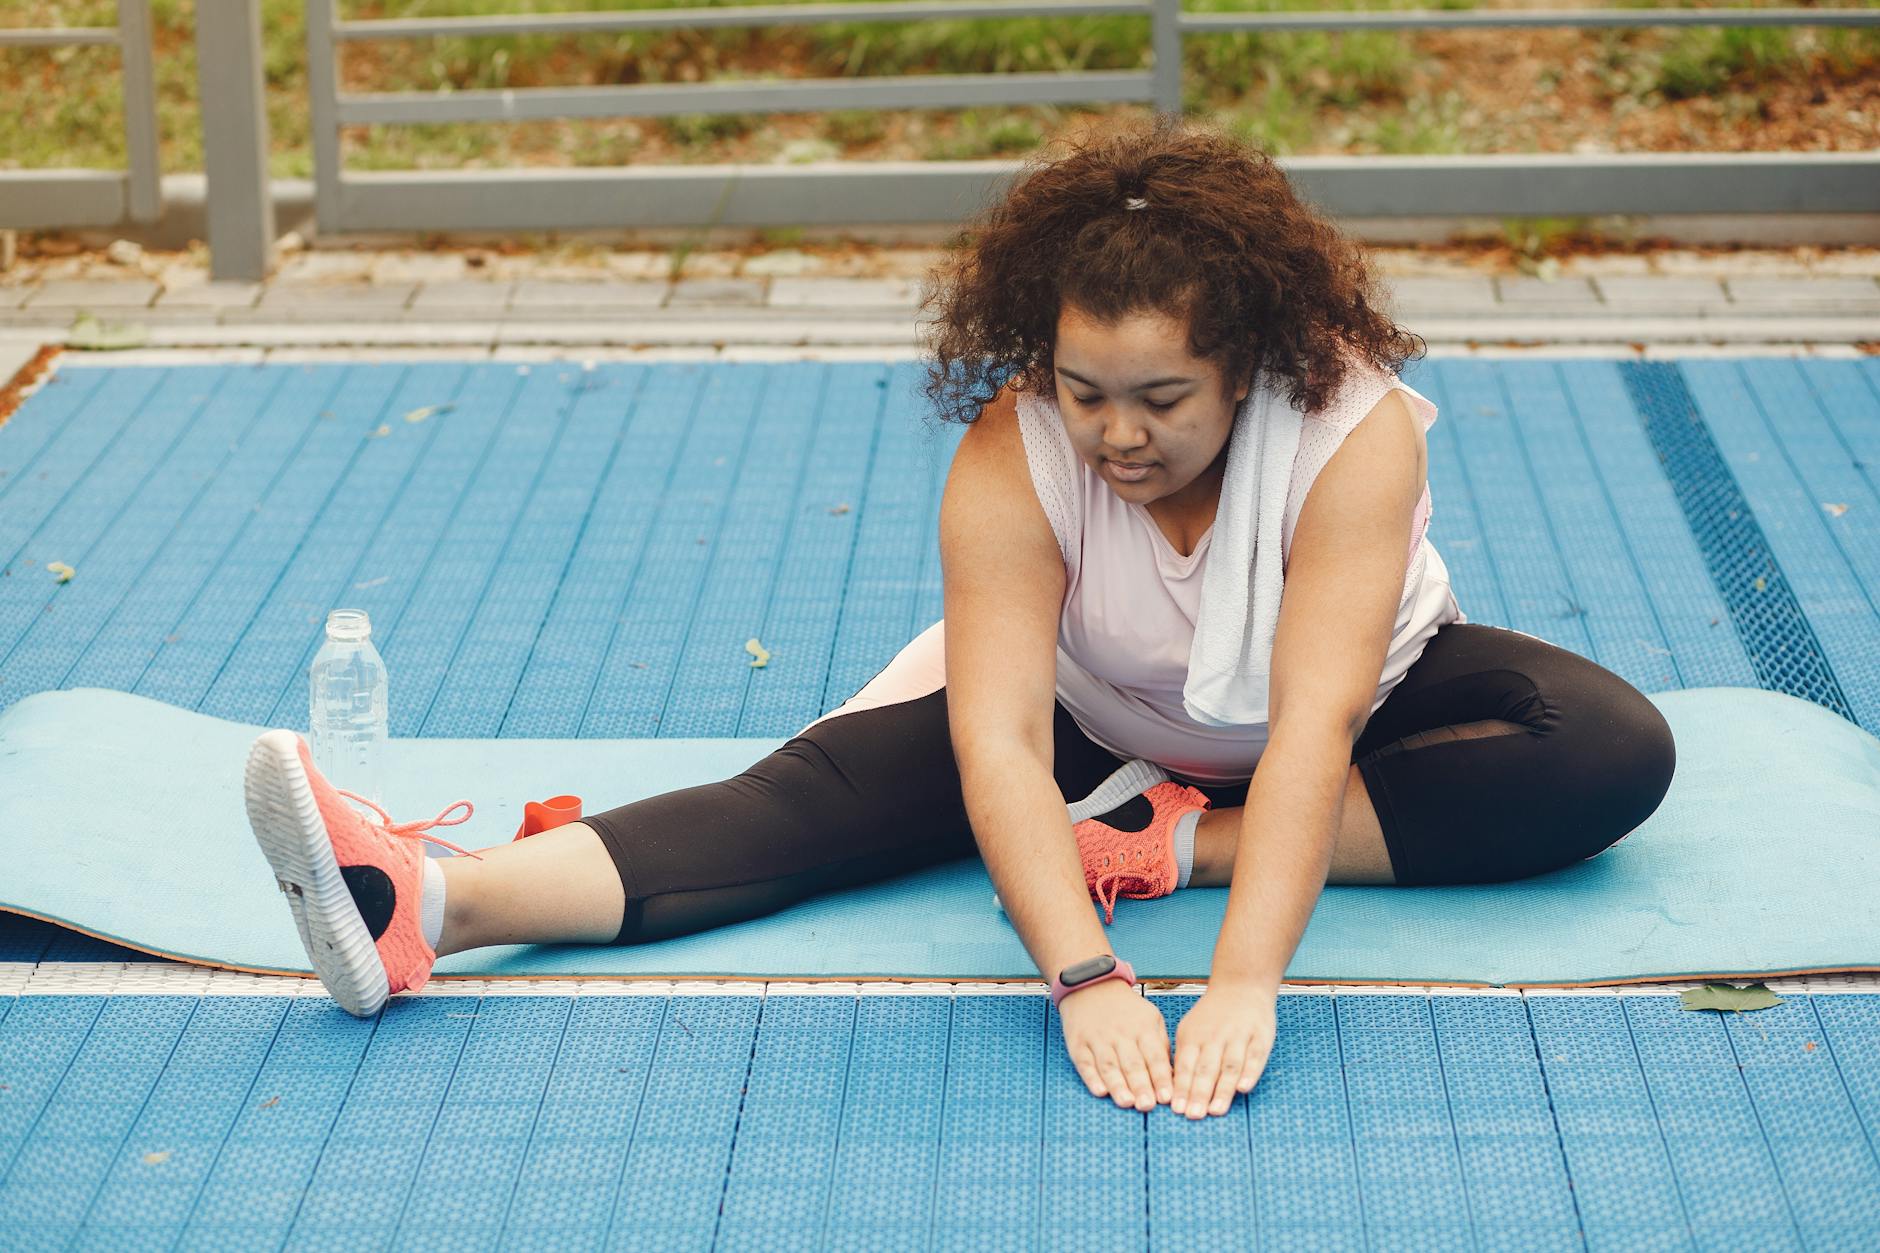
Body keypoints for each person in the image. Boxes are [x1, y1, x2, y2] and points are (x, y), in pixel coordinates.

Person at [244, 115, 1676, 1123]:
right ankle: (430, 900)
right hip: (1095, 714)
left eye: (1162, 399)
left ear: (1245, 368)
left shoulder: (1352, 435)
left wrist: (1246, 977)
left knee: (1605, 748)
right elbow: (997, 743)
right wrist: (1084, 978)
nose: (1117, 435)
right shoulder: (1010, 452)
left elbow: (1314, 723)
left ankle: (1166, 836)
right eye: (1083, 388)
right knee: (806, 801)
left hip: (1353, 701)